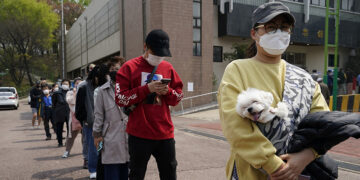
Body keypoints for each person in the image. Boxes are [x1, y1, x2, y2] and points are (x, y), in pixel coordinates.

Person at [217, 2, 329, 180]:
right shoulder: (237, 69)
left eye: (284, 27)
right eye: (270, 28)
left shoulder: (304, 78)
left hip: (299, 171)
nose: (279, 32)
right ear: (254, 33)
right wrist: (275, 165)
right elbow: (234, 126)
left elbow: (323, 124)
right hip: (251, 174)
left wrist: (304, 157)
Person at [115, 29, 184, 180]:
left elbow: (178, 97)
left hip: (165, 132)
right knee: (136, 174)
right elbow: (120, 99)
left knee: (170, 173)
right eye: (156, 52)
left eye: (162, 53)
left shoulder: (168, 68)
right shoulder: (128, 67)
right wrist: (147, 89)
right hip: (139, 133)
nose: (159, 57)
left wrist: (168, 92)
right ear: (145, 46)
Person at [93, 57, 129, 180]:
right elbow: (98, 115)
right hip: (110, 137)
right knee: (111, 173)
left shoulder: (130, 88)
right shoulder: (102, 91)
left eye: (118, 69)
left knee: (126, 171)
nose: (115, 71)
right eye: (112, 69)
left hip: (128, 136)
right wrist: (97, 135)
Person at [76, 65, 108, 179]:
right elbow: (78, 108)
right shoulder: (84, 87)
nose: (100, 79)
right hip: (90, 123)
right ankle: (93, 169)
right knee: (94, 147)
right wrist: (84, 120)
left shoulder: (106, 87)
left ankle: (103, 168)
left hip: (107, 122)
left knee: (105, 147)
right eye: (98, 77)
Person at [62, 77, 83, 158]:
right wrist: (75, 93)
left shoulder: (85, 92)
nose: (79, 85)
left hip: (84, 118)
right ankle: (67, 151)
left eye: (80, 83)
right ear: (74, 84)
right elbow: (70, 101)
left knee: (85, 137)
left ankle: (85, 152)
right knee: (71, 136)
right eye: (77, 83)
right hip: (74, 119)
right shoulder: (70, 93)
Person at [52, 79, 71, 147]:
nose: (65, 85)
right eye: (64, 84)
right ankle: (60, 142)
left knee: (70, 129)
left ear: (69, 85)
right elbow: (53, 103)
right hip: (60, 113)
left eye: (67, 84)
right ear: (61, 84)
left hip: (69, 112)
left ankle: (68, 142)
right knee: (59, 128)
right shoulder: (57, 93)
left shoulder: (71, 92)